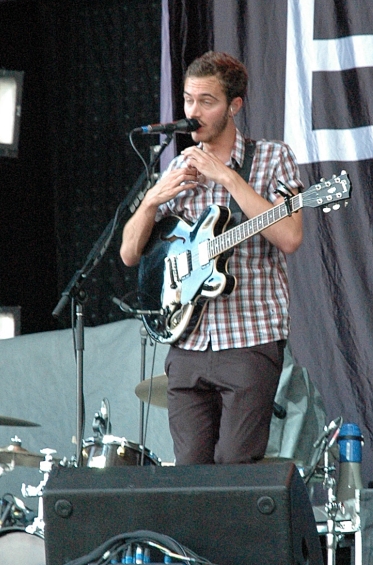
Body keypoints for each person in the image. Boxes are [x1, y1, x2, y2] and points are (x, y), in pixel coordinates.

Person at [120, 51, 303, 465]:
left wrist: (228, 177)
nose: (193, 112)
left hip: (249, 337)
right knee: (188, 473)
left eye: (207, 101)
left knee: (235, 466)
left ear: (234, 106)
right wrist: (151, 201)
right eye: (188, 100)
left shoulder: (274, 158)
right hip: (185, 341)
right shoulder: (177, 167)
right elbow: (130, 254)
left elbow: (290, 236)